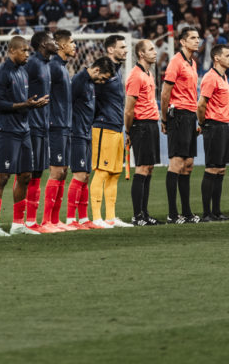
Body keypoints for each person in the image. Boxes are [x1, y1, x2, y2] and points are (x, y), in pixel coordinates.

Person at [0, 35, 47, 236]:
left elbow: (23, 101)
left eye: (29, 51)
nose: (28, 54)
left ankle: (17, 224)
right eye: (24, 50)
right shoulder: (2, 73)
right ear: (12, 50)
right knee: (3, 177)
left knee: (25, 175)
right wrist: (25, 105)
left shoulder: (23, 71)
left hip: (24, 130)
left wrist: (33, 104)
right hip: (7, 131)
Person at [66, 53, 115, 229]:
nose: (102, 82)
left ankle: (84, 218)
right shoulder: (79, 80)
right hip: (77, 133)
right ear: (95, 70)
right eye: (102, 79)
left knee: (86, 175)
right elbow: (67, 103)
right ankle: (71, 219)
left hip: (86, 132)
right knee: (79, 175)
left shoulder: (90, 83)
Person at [89, 33, 132, 229]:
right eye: (122, 47)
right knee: (101, 172)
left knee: (114, 173)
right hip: (103, 126)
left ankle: (111, 217)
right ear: (110, 50)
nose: (126, 50)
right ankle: (97, 217)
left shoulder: (117, 70)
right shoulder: (103, 70)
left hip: (116, 127)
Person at [161, 25, 202, 225]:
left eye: (198, 37)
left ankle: (186, 212)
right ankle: (172, 213)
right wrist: (164, 118)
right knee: (176, 163)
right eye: (193, 38)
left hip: (189, 115)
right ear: (182, 42)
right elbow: (165, 92)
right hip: (177, 114)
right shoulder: (175, 62)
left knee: (188, 165)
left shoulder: (192, 63)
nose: (197, 40)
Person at [124, 37, 161, 226]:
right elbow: (129, 108)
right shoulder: (136, 75)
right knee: (142, 168)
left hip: (151, 124)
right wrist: (129, 131)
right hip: (141, 125)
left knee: (149, 169)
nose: (155, 52)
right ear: (141, 54)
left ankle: (144, 213)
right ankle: (137, 215)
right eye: (151, 49)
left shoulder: (148, 73)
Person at [42, 27, 75, 231]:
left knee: (63, 171)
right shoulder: (53, 66)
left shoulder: (62, 66)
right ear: (62, 45)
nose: (74, 46)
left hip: (65, 124)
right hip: (55, 125)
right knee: (56, 171)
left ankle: (55, 220)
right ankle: (47, 220)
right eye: (72, 43)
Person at [197, 43, 229, 222]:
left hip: (223, 125)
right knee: (211, 168)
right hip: (213, 125)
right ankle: (206, 213)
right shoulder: (210, 78)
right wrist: (203, 124)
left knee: (220, 169)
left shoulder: (223, 77)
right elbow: (201, 104)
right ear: (216, 58)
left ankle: (217, 211)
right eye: (227, 55)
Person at [24, 29, 55, 230]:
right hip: (32, 125)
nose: (56, 43)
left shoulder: (46, 64)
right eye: (52, 40)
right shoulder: (33, 64)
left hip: (43, 125)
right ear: (43, 44)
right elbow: (19, 88)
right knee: (28, 174)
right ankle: (25, 221)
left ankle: (32, 221)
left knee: (37, 173)